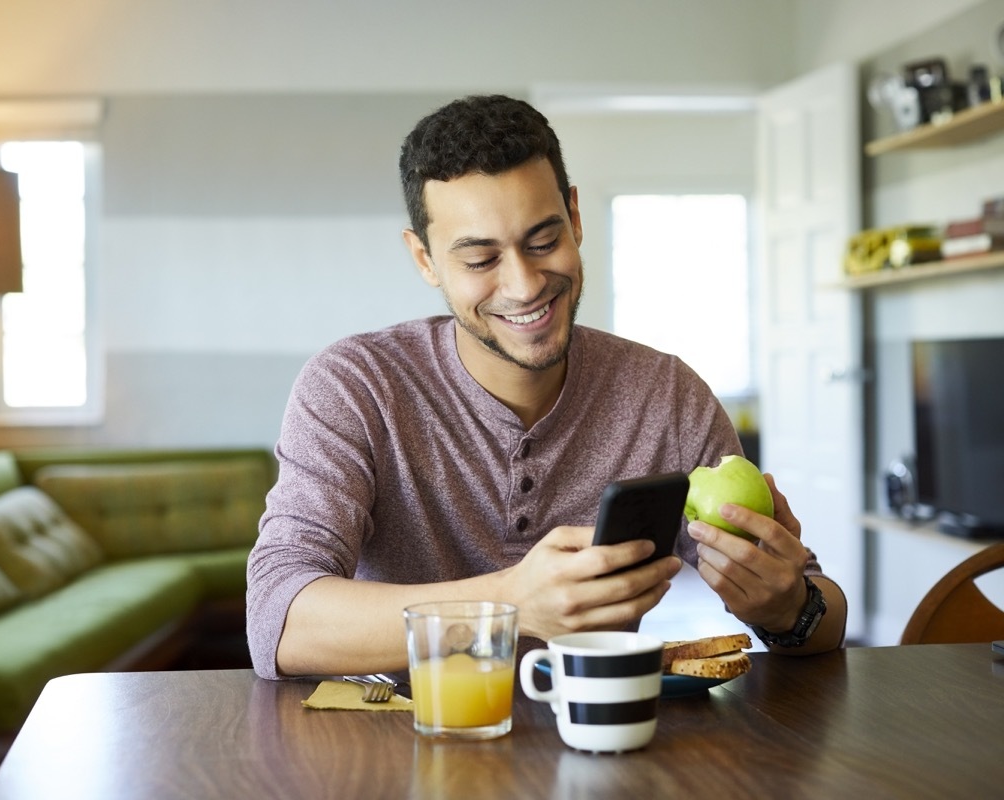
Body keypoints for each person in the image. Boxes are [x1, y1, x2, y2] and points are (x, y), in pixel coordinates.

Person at [246, 94, 847, 680]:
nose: (525, 284)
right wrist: (507, 603)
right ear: (425, 260)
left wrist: (786, 605)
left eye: (543, 241)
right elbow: (279, 619)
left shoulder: (667, 395)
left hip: (600, 747)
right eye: (480, 260)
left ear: (576, 218)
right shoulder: (356, 386)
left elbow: (821, 615)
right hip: (397, 752)